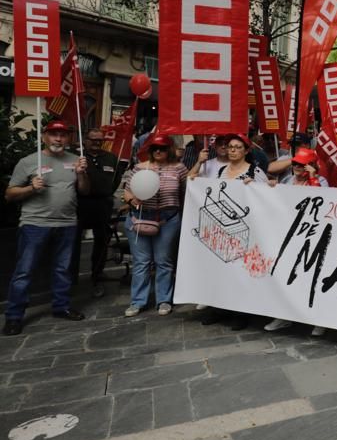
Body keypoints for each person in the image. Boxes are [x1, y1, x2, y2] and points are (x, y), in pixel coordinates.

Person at [2, 121, 89, 335]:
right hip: (35, 224)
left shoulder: (76, 161)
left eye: (63, 134)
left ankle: (61, 306)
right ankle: (14, 316)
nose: (58, 138)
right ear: (44, 137)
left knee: (62, 269)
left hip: (67, 223)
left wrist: (81, 174)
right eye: (53, 134)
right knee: (24, 271)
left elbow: (85, 191)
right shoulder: (28, 161)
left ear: (69, 138)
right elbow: (9, 194)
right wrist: (31, 188)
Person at [199, 133, 267, 331]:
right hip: (222, 229)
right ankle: (219, 309)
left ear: (246, 151)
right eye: (230, 147)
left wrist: (257, 187)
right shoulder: (221, 170)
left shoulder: (255, 171)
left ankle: (241, 313)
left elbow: (267, 197)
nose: (233, 150)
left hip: (245, 229)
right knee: (220, 271)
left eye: (237, 147)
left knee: (240, 271)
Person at [121, 134, 188, 318]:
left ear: (169, 150)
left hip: (168, 219)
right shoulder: (139, 168)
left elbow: (185, 192)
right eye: (155, 148)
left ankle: (164, 300)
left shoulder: (179, 169)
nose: (158, 151)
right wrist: (133, 201)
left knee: (164, 261)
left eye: (163, 148)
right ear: (150, 150)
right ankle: (137, 301)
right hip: (140, 218)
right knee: (141, 262)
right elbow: (126, 191)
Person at [264, 147, 328, 335]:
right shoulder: (287, 180)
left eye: (302, 165)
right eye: (295, 164)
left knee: (311, 276)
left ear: (311, 165)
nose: (297, 168)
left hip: (312, 235)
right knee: (286, 275)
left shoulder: (321, 181)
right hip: (288, 234)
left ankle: (319, 320)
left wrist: (314, 178)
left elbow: (322, 201)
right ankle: (284, 316)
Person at [74, 127, 120, 299]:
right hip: (80, 205)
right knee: (73, 242)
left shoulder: (111, 158)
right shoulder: (77, 158)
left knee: (102, 241)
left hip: (103, 204)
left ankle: (97, 274)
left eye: (100, 140)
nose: (97, 143)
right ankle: (72, 277)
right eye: (93, 139)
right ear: (86, 140)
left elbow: (116, 180)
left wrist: (106, 192)